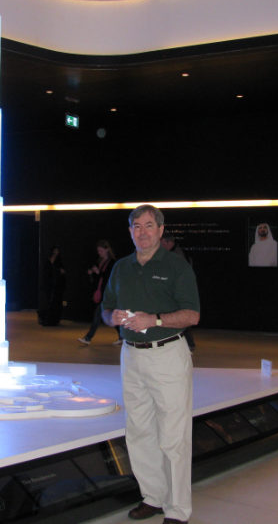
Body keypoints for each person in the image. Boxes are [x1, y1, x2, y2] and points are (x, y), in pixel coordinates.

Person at [102, 204, 200, 524]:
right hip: (131, 355)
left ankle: (178, 510)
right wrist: (113, 317)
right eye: (136, 226)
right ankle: (153, 497)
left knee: (173, 436)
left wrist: (154, 319)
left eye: (148, 226)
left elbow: (192, 315)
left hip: (167, 354)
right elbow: (106, 309)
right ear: (130, 231)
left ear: (160, 230)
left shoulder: (176, 266)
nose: (142, 232)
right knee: (139, 430)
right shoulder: (121, 267)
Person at [78, 240, 120, 345]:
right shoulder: (100, 261)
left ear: (107, 250)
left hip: (108, 293)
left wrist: (98, 272)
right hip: (102, 292)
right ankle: (122, 336)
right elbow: (98, 278)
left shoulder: (112, 262)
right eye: (98, 251)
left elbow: (108, 278)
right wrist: (92, 273)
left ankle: (88, 338)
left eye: (101, 251)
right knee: (109, 315)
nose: (99, 253)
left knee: (98, 315)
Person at [160, 233, 196, 352]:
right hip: (175, 291)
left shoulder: (177, 255)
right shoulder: (175, 253)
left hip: (178, 292)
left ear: (168, 242)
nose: (160, 245)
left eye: (162, 242)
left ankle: (189, 344)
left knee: (181, 317)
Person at [37, 246, 66, 326]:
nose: (56, 253)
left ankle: (54, 320)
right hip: (48, 285)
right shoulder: (48, 261)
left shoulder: (59, 262)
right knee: (48, 302)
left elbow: (62, 273)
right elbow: (46, 273)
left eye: (57, 251)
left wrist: (60, 271)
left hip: (57, 286)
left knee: (56, 303)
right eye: (55, 251)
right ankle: (46, 320)